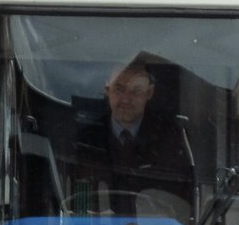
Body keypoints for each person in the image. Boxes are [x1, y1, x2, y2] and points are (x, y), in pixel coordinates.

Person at [71, 59, 194, 216]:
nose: (126, 99)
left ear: (149, 93)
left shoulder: (172, 140)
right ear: (107, 90)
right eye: (119, 89)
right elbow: (78, 202)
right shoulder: (86, 140)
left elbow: (181, 203)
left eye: (136, 91)